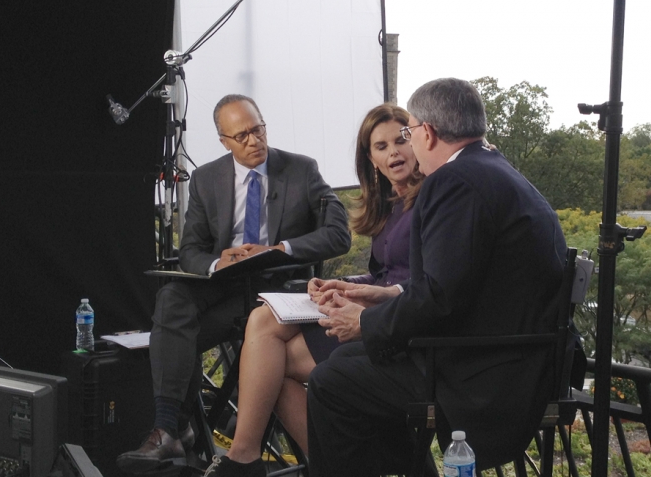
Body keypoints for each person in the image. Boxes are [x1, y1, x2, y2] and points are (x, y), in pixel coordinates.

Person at [307, 78, 568, 476]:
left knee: (332, 381)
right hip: (510, 354)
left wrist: (362, 321)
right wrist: (377, 298)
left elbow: (441, 297)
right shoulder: (491, 169)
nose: (406, 146)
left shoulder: (454, 181)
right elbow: (454, 282)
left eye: (407, 134)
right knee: (350, 361)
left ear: (427, 133)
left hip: (487, 372)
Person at [117, 94, 351, 474]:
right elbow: (189, 249)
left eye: (257, 129)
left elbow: (338, 235)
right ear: (224, 141)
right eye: (240, 136)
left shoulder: (302, 170)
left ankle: (182, 433)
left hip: (278, 291)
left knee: (177, 336)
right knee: (173, 301)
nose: (253, 141)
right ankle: (167, 429)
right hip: (227, 286)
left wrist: (281, 247)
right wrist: (217, 260)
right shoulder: (207, 178)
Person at [201, 103, 423, 476]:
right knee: (263, 323)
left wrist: (358, 294)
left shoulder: (431, 198)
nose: (394, 153)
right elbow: (382, 274)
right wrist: (343, 284)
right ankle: (305, 463)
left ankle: (253, 460)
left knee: (271, 366)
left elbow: (424, 282)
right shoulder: (390, 204)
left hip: (392, 322)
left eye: (400, 141)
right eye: (381, 147)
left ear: (417, 139)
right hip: (372, 307)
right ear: (371, 159)